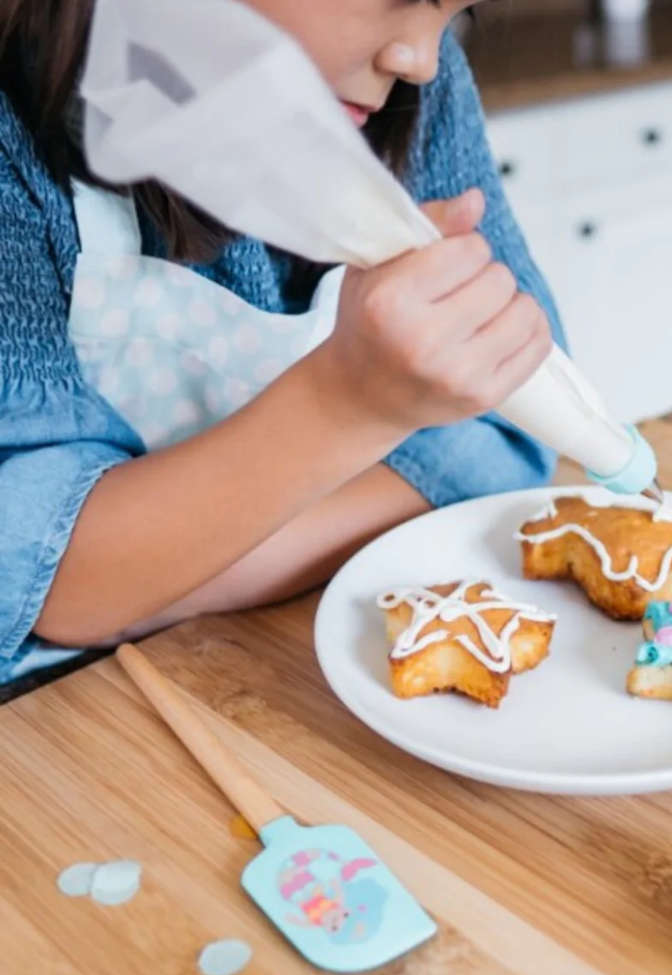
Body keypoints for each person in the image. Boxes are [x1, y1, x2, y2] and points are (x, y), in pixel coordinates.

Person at [0, 0, 561, 686]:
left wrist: (130, 587)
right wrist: (351, 404)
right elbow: (29, 575)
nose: (420, 61)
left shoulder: (422, 103)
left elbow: (511, 439)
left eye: (457, 12)